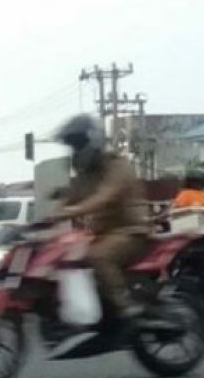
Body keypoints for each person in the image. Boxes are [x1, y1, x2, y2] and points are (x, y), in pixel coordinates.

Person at [51, 114, 150, 320]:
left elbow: (105, 196)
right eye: (72, 146)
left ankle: (125, 305)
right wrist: (46, 219)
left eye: (78, 144)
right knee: (61, 258)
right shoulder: (86, 174)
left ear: (93, 140)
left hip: (129, 232)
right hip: (102, 234)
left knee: (98, 256)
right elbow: (71, 196)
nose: (75, 150)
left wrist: (71, 211)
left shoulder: (117, 166)